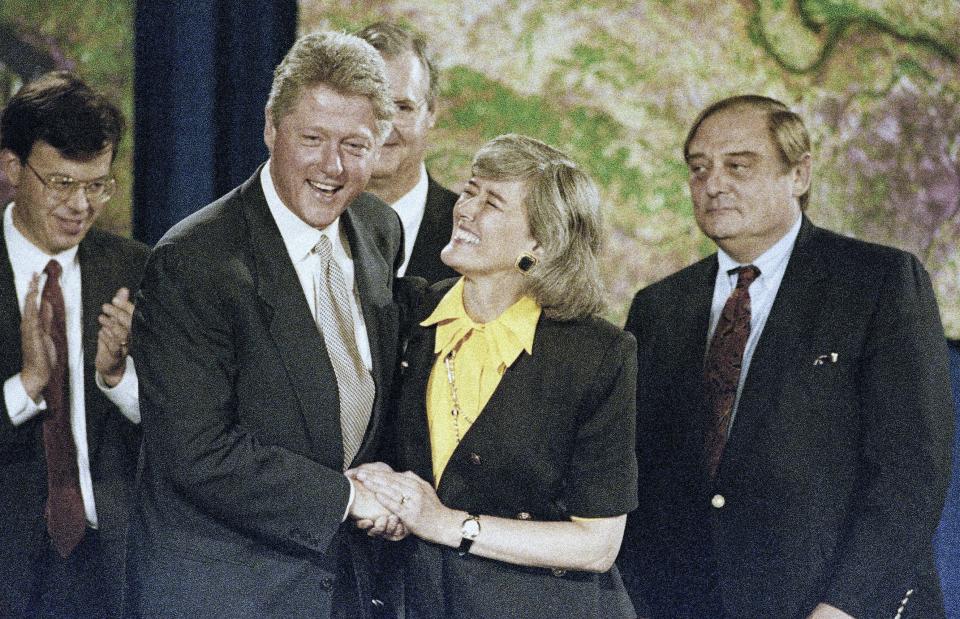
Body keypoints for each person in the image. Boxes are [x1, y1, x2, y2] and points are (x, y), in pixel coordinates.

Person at [617, 94, 955, 618]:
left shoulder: (877, 283)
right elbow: (640, 477)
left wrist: (844, 607)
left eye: (738, 166)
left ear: (798, 175)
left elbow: (909, 474)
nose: (713, 184)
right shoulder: (659, 307)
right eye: (699, 169)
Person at [126, 32, 405, 618]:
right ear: (270, 129)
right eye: (313, 139)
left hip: (343, 588)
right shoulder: (194, 261)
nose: (333, 166)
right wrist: (349, 498)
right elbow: (197, 452)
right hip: (227, 591)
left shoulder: (378, 229)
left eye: (355, 144)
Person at [355, 133, 639, 618]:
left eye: (493, 202)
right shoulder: (409, 315)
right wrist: (374, 485)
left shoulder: (598, 355)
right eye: (469, 190)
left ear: (541, 241)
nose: (465, 209)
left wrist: (446, 524)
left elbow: (597, 544)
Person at [0, 71, 148, 618]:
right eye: (62, 184)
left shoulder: (136, 270)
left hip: (110, 563)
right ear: (12, 168)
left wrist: (118, 380)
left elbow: (182, 423)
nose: (82, 205)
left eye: (97, 185)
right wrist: (25, 387)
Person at [356, 20, 459, 283]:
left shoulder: (472, 232)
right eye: (369, 105)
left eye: (402, 107)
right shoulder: (302, 223)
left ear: (432, 112)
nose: (383, 127)